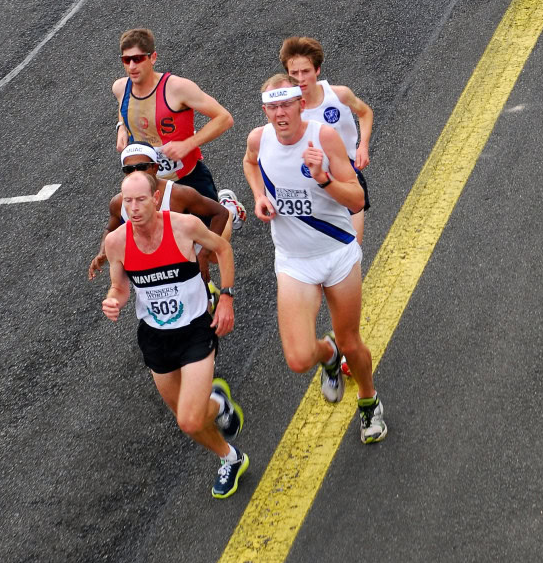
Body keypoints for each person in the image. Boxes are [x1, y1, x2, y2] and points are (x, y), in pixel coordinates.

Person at [242, 76, 387, 444]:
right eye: (272, 107)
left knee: (351, 341)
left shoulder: (323, 137)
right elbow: (250, 163)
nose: (280, 114)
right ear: (265, 111)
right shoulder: (259, 139)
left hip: (337, 253)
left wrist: (323, 179)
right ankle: (328, 354)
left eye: (286, 105)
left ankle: (369, 401)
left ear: (299, 104)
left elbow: (355, 199)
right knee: (298, 358)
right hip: (294, 262)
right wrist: (259, 195)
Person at [103, 170, 248, 498]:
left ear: (155, 199)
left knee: (190, 420)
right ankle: (231, 456)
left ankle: (216, 404)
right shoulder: (116, 242)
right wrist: (114, 300)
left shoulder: (183, 227)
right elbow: (120, 285)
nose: (134, 207)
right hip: (155, 337)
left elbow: (222, 248)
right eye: (128, 201)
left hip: (195, 331)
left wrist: (226, 297)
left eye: (141, 199)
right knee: (185, 414)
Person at [114, 28, 236, 207]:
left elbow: (224, 118)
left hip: (187, 178)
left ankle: (229, 208)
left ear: (153, 57)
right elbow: (124, 108)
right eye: (126, 60)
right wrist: (121, 127)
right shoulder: (120, 88)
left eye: (138, 59)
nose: (132, 66)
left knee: (211, 229)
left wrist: (188, 144)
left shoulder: (177, 88)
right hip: (148, 185)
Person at [88, 142, 239, 286]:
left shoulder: (178, 194)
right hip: (161, 251)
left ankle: (230, 206)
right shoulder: (118, 203)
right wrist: (102, 252)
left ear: (155, 168)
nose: (135, 173)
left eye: (141, 167)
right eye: (129, 169)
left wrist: (205, 253)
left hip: (188, 241)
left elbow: (219, 213)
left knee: (214, 256)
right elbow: (110, 228)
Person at [278, 36, 372, 246]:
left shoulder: (338, 96)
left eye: (306, 71)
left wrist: (363, 146)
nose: (300, 78)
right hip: (310, 189)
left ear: (317, 70)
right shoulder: (286, 110)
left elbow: (365, 112)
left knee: (352, 250)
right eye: (294, 73)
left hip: (346, 177)